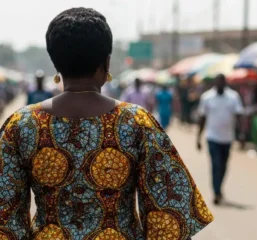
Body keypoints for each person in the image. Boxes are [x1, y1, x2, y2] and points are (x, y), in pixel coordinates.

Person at [0, 8, 212, 239]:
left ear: (55, 63)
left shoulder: (21, 125)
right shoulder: (137, 122)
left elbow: (4, 217)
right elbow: (170, 216)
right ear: (107, 62)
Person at [197, 74, 244, 205]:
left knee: (223, 166)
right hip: (212, 137)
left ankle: (219, 187)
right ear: (215, 83)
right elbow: (202, 118)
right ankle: (216, 191)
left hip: (227, 138)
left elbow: (239, 115)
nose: (220, 85)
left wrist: (241, 134)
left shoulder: (233, 96)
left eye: (222, 82)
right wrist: (198, 138)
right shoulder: (207, 97)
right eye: (218, 82)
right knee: (216, 164)